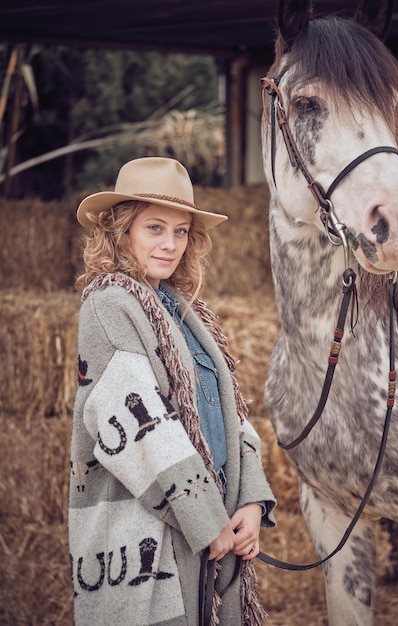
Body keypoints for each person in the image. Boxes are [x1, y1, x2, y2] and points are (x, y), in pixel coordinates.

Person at [69, 157, 276, 626]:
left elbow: (230, 413)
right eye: (155, 228)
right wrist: (208, 524)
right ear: (121, 230)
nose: (170, 244)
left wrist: (250, 501)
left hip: (213, 520)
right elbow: (142, 430)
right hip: (155, 533)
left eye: (181, 231)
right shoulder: (109, 305)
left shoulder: (185, 311)